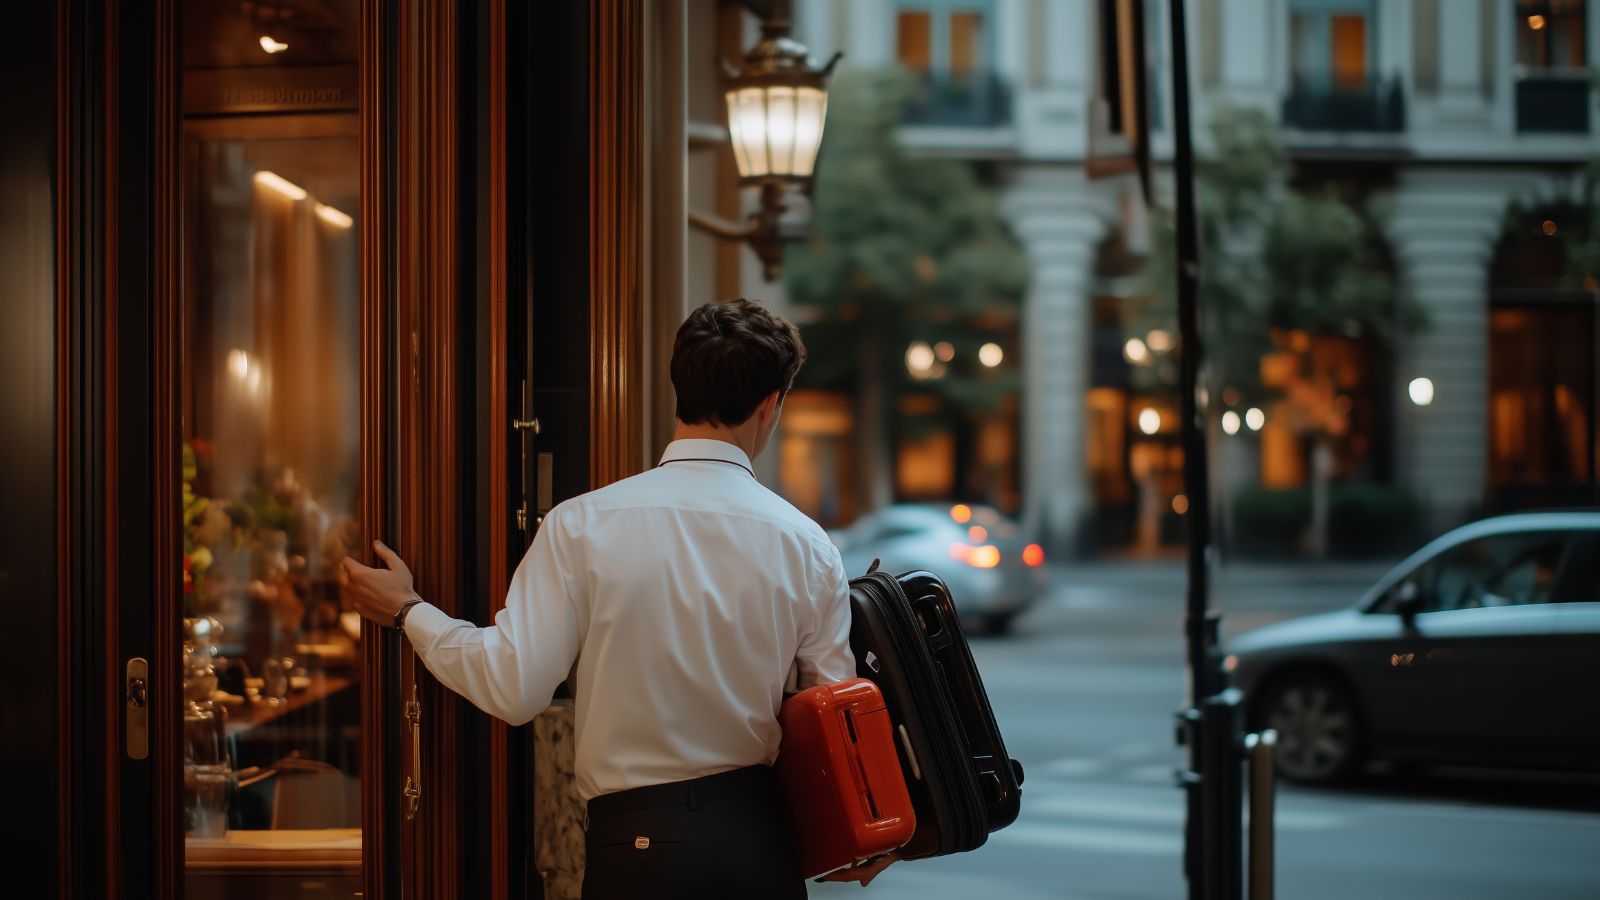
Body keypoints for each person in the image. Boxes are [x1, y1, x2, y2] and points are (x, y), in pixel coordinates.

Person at [344, 299, 897, 898]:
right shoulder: (807, 544)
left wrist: (408, 611)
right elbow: (832, 712)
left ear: (678, 388)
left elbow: (514, 687)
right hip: (756, 840)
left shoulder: (582, 524)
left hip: (636, 844)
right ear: (771, 406)